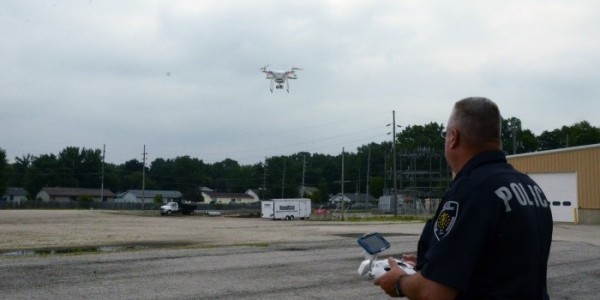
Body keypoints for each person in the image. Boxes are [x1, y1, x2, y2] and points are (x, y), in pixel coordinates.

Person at [375, 97, 553, 299]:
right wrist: (436, 262)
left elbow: (435, 292)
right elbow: (500, 265)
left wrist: (399, 281)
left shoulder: (471, 191)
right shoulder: (530, 187)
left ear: (453, 137)